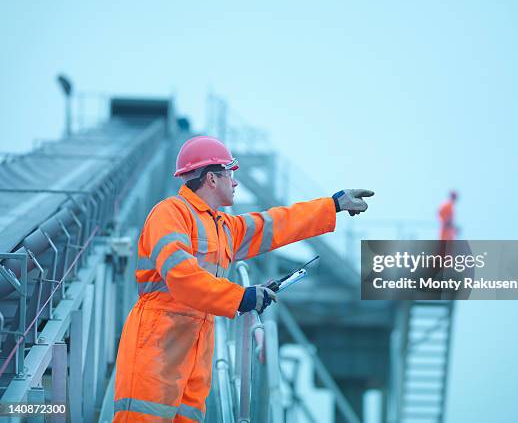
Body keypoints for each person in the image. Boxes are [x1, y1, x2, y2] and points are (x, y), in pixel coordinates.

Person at [113, 136, 374, 422]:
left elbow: (275, 224)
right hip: (157, 343)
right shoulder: (170, 214)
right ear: (211, 179)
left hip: (196, 346)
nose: (235, 182)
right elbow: (181, 276)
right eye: (231, 174)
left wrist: (331, 206)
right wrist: (240, 297)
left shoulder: (222, 227)